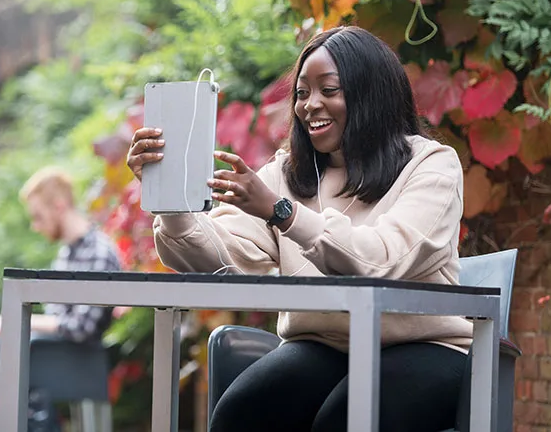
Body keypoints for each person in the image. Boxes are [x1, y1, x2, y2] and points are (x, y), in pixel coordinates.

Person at [127, 26, 470, 432]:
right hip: (322, 345)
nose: (311, 105)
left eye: (329, 90)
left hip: (424, 346)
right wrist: (171, 197)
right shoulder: (288, 173)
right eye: (303, 93)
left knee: (340, 422)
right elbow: (221, 257)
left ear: (370, 94)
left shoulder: (431, 166)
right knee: (241, 413)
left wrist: (284, 213)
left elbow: (381, 261)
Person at [0, 167, 122, 432]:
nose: (35, 225)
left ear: (59, 206)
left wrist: (15, 320)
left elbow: (80, 327)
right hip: (43, 351)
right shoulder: (67, 253)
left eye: (38, 216)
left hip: (63, 358)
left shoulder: (97, 251)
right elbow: (60, 318)